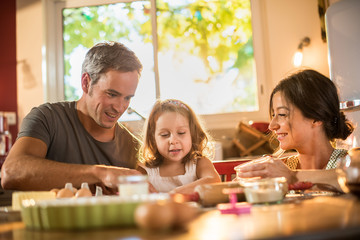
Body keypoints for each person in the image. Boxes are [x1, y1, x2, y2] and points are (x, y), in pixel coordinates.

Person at [1, 41, 144, 194]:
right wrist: (101, 173)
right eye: (112, 94)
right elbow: (11, 173)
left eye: (127, 98)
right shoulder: (47, 118)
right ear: (86, 83)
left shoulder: (132, 146)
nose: (119, 107)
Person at [237, 69, 354, 191]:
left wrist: (293, 176)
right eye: (273, 115)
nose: (271, 126)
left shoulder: (350, 163)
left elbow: (350, 178)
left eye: (282, 114)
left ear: (316, 118)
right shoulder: (283, 167)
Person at [137, 99, 221, 194]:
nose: (173, 141)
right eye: (164, 134)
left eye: (181, 133)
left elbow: (214, 180)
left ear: (192, 134)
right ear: (153, 138)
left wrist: (174, 194)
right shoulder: (145, 170)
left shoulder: (199, 163)